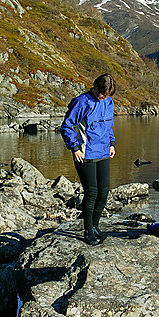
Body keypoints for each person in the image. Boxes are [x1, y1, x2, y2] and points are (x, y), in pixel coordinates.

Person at [60, 73, 116, 245]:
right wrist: (74, 147)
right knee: (91, 192)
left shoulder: (108, 102)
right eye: (101, 94)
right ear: (95, 87)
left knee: (104, 192)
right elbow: (67, 126)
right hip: (85, 153)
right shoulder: (82, 102)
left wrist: (112, 143)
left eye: (106, 95)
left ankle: (96, 226)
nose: (103, 97)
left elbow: (108, 125)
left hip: (103, 151)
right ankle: (87, 230)